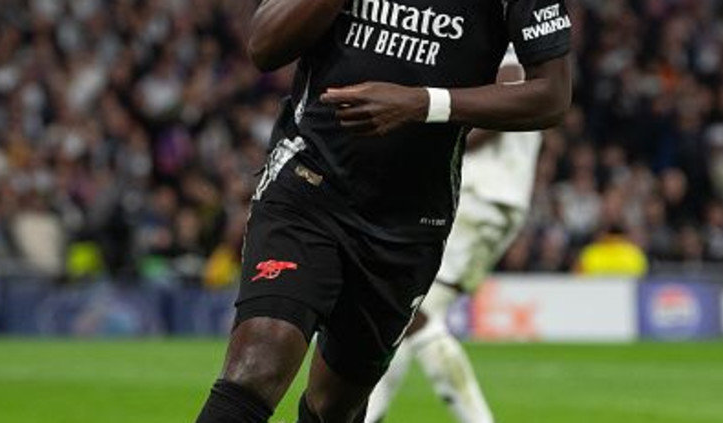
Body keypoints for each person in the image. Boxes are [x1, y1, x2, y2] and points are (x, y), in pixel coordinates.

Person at [194, 1, 573, 422]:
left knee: (336, 405)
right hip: (308, 183)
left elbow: (552, 95)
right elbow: (264, 47)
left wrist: (422, 104)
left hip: (409, 220)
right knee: (260, 360)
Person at [366, 45, 543, 423]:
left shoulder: (507, 56)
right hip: (495, 201)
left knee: (415, 312)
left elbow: (499, 112)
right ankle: (369, 414)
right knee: (411, 313)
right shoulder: (518, 59)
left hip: (481, 197)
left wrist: (434, 140)